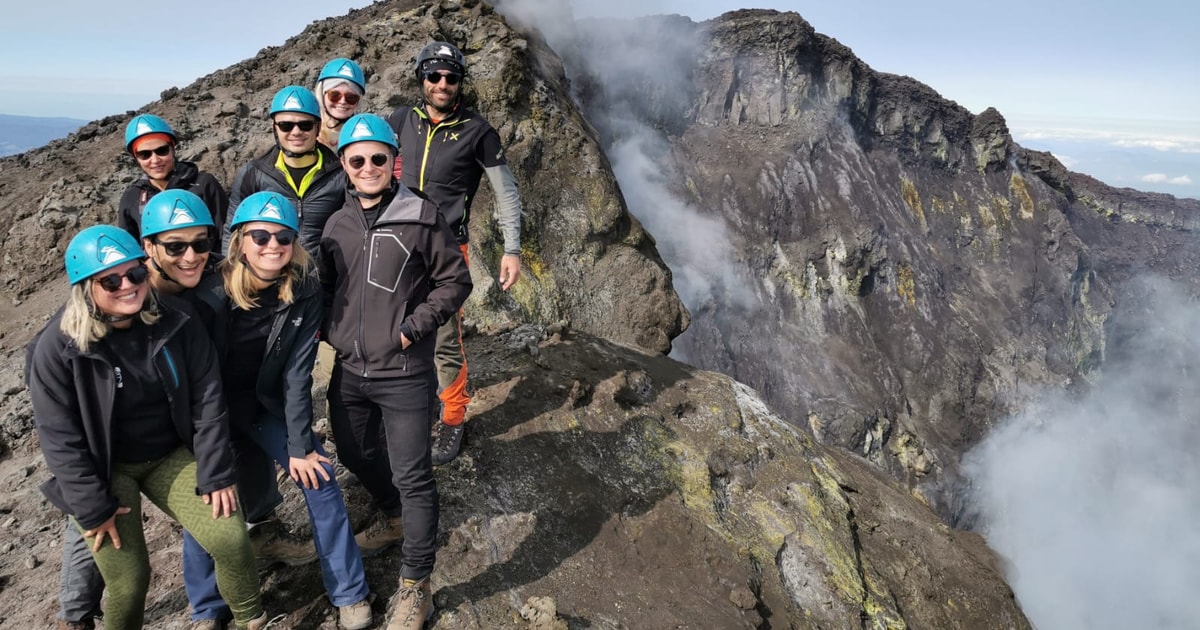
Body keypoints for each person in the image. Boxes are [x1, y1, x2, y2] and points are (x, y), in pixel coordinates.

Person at [48, 191, 300, 630]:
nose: (127, 286)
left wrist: (217, 473)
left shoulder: (172, 320)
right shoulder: (58, 348)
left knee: (229, 535)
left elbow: (207, 398)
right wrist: (91, 506)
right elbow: (59, 436)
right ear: (86, 287)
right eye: (111, 281)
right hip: (107, 468)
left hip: (167, 455)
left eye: (133, 277)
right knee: (128, 583)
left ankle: (250, 619)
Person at [192, 191, 373, 630]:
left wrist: (298, 446)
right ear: (238, 241)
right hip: (212, 413)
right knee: (207, 500)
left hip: (265, 405)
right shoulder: (208, 292)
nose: (272, 245)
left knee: (319, 476)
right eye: (260, 235)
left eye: (283, 237)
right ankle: (207, 610)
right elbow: (196, 380)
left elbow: (297, 372)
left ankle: (349, 593)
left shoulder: (305, 288)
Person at [318, 113, 472, 630]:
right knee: (353, 450)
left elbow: (455, 281)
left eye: (377, 158)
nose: (367, 167)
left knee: (413, 474)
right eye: (356, 159)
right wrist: (325, 329)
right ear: (344, 164)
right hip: (350, 368)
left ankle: (415, 586)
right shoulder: (336, 223)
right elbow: (330, 287)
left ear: (393, 162)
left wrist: (413, 328)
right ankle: (392, 517)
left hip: (404, 370)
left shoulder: (421, 215)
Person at [387, 41, 524, 465]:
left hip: (447, 247)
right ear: (421, 79)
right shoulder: (399, 120)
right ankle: (413, 404)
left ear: (460, 82)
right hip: (397, 242)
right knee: (397, 326)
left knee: (445, 336)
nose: (442, 84)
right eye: (434, 76)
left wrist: (512, 248)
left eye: (451, 77)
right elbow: (373, 168)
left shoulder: (478, 131)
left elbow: (506, 192)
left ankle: (452, 416)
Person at [224, 86, 346, 255]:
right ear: (275, 128)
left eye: (305, 125)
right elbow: (232, 231)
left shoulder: (341, 174)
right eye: (286, 125)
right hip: (270, 274)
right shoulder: (252, 174)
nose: (296, 132)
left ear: (317, 127)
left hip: (325, 277)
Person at [118, 114, 229, 248]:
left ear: (173, 149)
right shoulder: (132, 197)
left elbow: (225, 234)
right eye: (145, 154)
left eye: (162, 151)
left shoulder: (204, 184)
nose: (155, 160)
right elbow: (130, 248)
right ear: (136, 158)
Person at [314, 57, 366, 150]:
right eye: (334, 95)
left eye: (351, 98)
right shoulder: (306, 132)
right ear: (322, 95)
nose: (342, 102)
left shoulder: (365, 134)